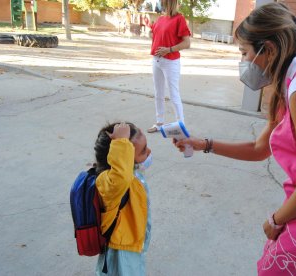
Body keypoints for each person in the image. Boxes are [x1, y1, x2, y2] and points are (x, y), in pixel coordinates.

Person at [174, 3, 296, 275]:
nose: (244, 62)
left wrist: (276, 219)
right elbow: (259, 148)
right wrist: (204, 144)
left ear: (268, 49)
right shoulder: (295, 81)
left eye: (245, 53)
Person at [94, 121, 152, 275]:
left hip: (130, 244)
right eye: (143, 151)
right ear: (124, 157)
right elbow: (121, 176)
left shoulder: (131, 175)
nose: (149, 152)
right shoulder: (110, 183)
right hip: (119, 251)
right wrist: (120, 142)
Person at [144, 0, 191, 133]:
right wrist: (151, 33)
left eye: (163, 2)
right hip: (156, 60)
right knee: (158, 93)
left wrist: (169, 49)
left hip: (171, 62)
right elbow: (153, 34)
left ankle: (181, 126)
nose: (161, 4)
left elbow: (187, 43)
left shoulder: (179, 19)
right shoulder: (160, 19)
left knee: (173, 94)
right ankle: (159, 123)